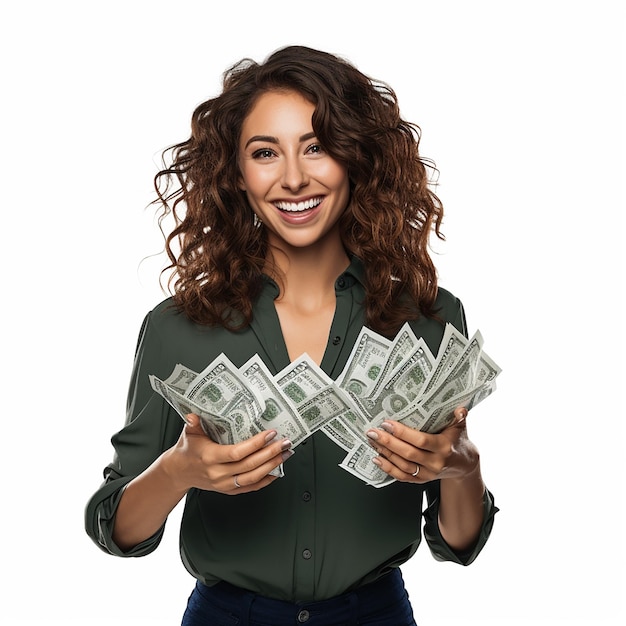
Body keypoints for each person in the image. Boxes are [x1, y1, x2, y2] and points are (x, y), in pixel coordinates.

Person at [85, 45, 498, 626]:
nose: (294, 177)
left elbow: (459, 541)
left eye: (317, 146)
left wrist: (463, 467)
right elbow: (117, 527)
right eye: (265, 153)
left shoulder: (428, 319)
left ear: (357, 158)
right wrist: (178, 471)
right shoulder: (180, 327)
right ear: (236, 173)